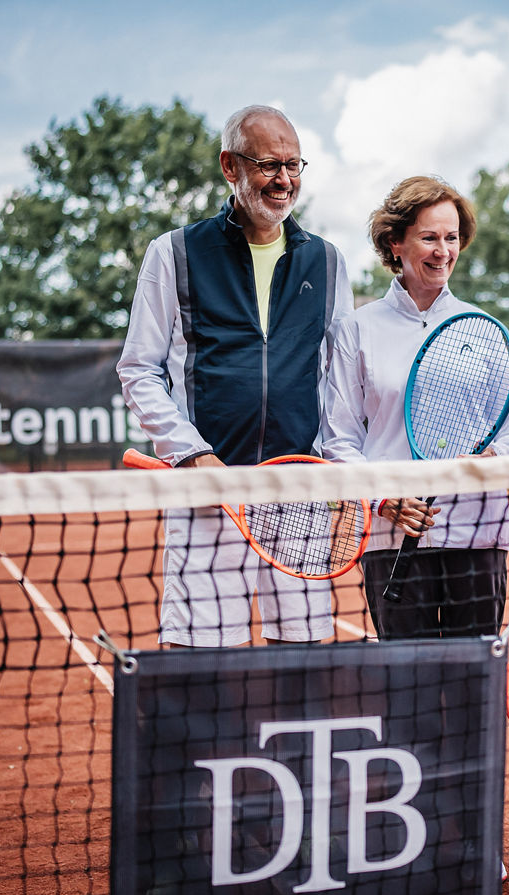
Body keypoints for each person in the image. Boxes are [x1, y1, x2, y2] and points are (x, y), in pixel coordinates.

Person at [118, 104, 353, 648]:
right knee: (196, 663)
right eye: (269, 164)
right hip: (208, 492)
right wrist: (191, 453)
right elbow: (138, 368)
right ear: (230, 166)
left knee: (302, 658)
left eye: (294, 165)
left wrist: (334, 462)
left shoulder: (328, 260)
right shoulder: (172, 253)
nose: (285, 180)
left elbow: (340, 379)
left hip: (299, 491)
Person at [321, 175, 509, 639]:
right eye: (429, 237)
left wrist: (493, 459)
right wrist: (382, 499)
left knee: (472, 688)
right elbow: (338, 439)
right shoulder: (356, 329)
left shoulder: (482, 328)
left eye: (452, 238)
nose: (443, 250)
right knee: (405, 690)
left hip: (477, 533)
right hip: (391, 541)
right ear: (395, 243)